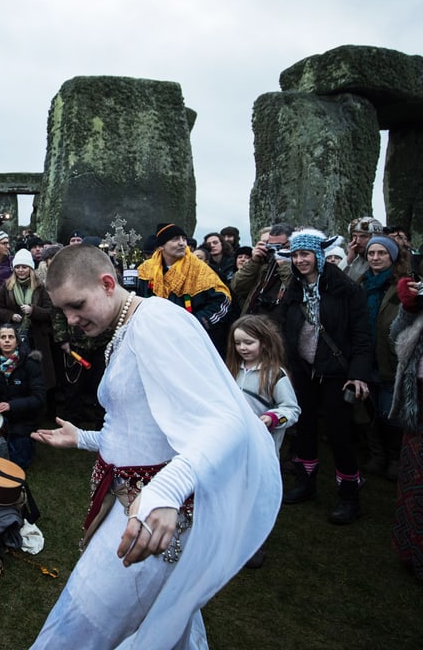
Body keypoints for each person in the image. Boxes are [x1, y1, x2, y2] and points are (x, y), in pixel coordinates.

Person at [30, 244, 280, 648]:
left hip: (151, 522)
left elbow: (229, 421)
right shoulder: (129, 326)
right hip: (134, 513)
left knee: (72, 630)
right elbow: (141, 428)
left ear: (107, 284)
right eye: (62, 312)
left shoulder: (157, 323)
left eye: (76, 306)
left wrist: (167, 489)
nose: (71, 320)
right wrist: (84, 439)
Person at [277, 229, 372, 524]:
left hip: (336, 372)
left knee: (339, 433)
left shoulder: (345, 290)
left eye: (305, 254)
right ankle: (305, 484)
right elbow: (283, 329)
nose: (299, 260)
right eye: (294, 255)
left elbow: (362, 336)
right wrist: (286, 368)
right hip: (303, 369)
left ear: (318, 255)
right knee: (304, 427)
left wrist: (357, 375)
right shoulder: (293, 290)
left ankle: (349, 495)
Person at [225, 314, 300, 568]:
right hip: (233, 446)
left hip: (261, 450)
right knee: (233, 492)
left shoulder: (275, 375)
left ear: (265, 343)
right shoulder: (232, 370)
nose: (243, 348)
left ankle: (255, 544)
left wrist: (271, 418)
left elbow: (292, 409)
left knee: (256, 497)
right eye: (238, 343)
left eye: (249, 342)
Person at [136, 223, 232, 353]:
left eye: (183, 239)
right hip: (156, 339)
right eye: (175, 239)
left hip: (192, 341)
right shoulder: (145, 270)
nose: (182, 243)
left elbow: (222, 300)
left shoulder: (198, 269)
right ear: (161, 246)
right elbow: (138, 301)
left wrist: (196, 322)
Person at [357, 235, 407, 479]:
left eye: (381, 253)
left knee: (391, 413)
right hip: (366, 358)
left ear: (392, 256)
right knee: (370, 411)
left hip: (392, 359)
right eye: (371, 253)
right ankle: (378, 456)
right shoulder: (361, 283)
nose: (375, 258)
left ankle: (396, 457)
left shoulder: (403, 285)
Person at [389, 276, 423, 580]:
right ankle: (411, 551)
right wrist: (409, 309)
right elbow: (397, 341)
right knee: (415, 481)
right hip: (418, 402)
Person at [0, 325, 45, 469]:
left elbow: (39, 398)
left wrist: (11, 405)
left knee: (16, 463)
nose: (7, 341)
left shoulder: (30, 363)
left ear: (17, 342)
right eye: (3, 337)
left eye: (11, 337)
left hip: (23, 420)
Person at [0, 249, 56, 396]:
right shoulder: (7, 285)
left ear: (30, 268)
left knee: (38, 374)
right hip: (13, 337)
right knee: (16, 373)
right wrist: (11, 315)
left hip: (36, 338)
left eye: (24, 267)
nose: (21, 270)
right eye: (18, 267)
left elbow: (50, 311)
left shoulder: (40, 287)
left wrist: (33, 311)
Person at [230, 222, 294, 316]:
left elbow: (297, 291)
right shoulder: (260, 265)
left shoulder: (298, 264)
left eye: (279, 246)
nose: (273, 249)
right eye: (268, 245)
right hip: (251, 321)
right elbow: (237, 287)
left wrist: (284, 264)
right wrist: (254, 261)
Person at [344, 216, 383, 280]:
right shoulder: (353, 259)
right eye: (354, 236)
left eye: (363, 236)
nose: (358, 241)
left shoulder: (383, 260)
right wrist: (348, 260)